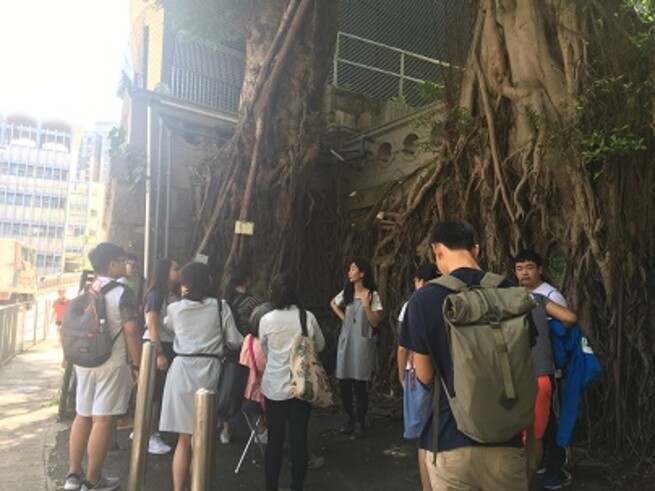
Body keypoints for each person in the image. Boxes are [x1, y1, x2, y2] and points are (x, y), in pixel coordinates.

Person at [399, 221, 528, 491]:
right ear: (476, 249)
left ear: (436, 250)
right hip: (508, 443)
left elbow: (424, 376)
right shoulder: (512, 293)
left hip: (449, 441)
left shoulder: (424, 300)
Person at [65, 243, 141, 491]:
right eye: (121, 260)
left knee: (83, 415)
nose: (125, 264)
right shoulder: (123, 292)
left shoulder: (89, 288)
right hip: (112, 361)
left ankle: (73, 476)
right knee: (103, 420)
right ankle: (93, 479)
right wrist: (138, 364)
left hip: (84, 361)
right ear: (111, 264)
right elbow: (130, 331)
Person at [159, 262, 242, 491]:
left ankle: (178, 488)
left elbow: (169, 326)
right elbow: (235, 340)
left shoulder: (175, 309)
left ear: (185, 284)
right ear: (208, 281)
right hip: (209, 371)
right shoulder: (219, 306)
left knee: (183, 438)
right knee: (202, 438)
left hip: (181, 369)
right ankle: (200, 486)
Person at [259, 272, 325, 491]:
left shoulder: (266, 319)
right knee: (299, 440)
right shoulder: (307, 317)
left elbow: (264, 349)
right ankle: (297, 486)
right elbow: (320, 345)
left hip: (275, 387)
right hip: (302, 386)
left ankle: (271, 487)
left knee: (275, 441)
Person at [515, 250, 571, 489]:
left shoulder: (550, 296)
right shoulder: (515, 296)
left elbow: (566, 325)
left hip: (549, 369)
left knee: (551, 424)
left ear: (540, 269)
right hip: (525, 372)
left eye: (529, 267)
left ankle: (555, 470)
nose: (524, 273)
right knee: (535, 426)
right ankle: (536, 468)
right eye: (519, 268)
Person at [397, 263, 439, 491]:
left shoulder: (414, 304)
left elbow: (403, 347)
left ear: (421, 282)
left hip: (418, 373)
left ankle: (428, 486)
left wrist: (401, 374)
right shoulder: (448, 299)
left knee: (423, 436)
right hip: (444, 374)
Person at [330, 259, 383, 439]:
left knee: (360, 383)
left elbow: (375, 321)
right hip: (347, 340)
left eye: (353, 269)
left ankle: (360, 422)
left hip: (362, 341)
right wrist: (344, 318)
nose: (349, 272)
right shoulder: (347, 293)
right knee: (344, 382)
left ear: (362, 273)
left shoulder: (372, 295)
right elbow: (333, 303)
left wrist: (367, 306)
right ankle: (349, 419)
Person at [140, 258, 180, 455]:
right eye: (175, 269)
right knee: (155, 393)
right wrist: (159, 353)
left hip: (167, 344)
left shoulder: (170, 294)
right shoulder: (156, 295)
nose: (178, 272)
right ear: (165, 272)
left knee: (159, 392)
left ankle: (147, 430)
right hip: (158, 346)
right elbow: (152, 325)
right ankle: (150, 435)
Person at [221, 263, 260, 444]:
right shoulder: (253, 302)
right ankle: (259, 428)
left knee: (229, 387)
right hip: (248, 349)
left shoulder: (225, 300)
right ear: (247, 280)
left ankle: (226, 430)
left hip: (229, 349)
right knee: (251, 387)